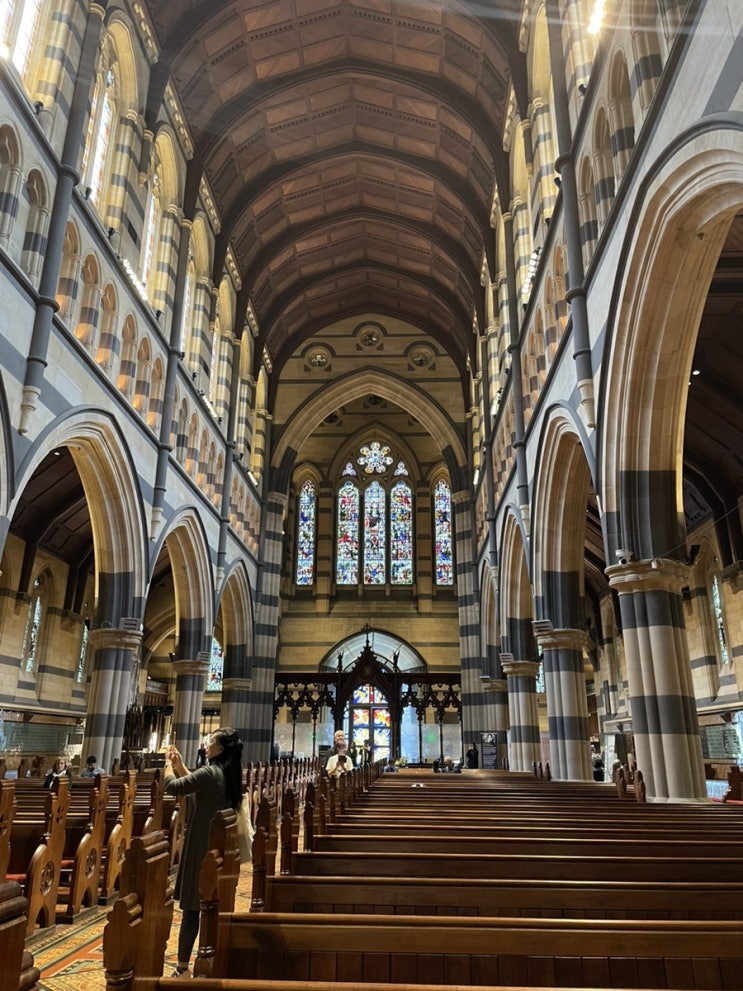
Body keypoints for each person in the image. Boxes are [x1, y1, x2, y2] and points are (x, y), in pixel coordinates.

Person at [164, 727, 243, 978]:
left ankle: (182, 967)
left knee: (192, 908)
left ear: (219, 749)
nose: (206, 745)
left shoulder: (211, 772)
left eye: (210, 742)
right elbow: (197, 786)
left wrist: (167, 765)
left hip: (200, 848)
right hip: (216, 848)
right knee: (209, 907)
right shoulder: (225, 773)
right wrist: (180, 765)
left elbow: (173, 787)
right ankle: (210, 958)